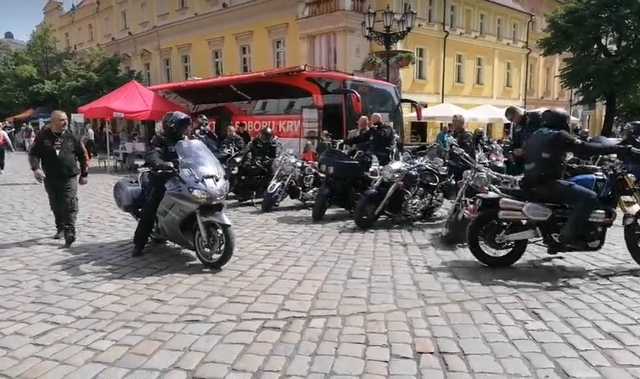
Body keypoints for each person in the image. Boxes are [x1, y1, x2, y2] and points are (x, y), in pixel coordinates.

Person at [521, 109, 634, 252]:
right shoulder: (559, 136)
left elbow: (546, 159)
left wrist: (577, 167)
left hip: (531, 182)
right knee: (589, 198)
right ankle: (566, 238)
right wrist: (619, 149)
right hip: (546, 184)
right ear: (561, 121)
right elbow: (585, 149)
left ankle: (557, 232)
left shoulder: (536, 135)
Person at [132, 111, 191, 257]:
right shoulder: (160, 139)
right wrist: (161, 163)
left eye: (185, 126)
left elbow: (195, 153)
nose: (185, 129)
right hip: (161, 178)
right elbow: (153, 154)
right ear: (172, 127)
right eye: (182, 126)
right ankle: (139, 244)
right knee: (151, 208)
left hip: (181, 177)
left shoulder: (185, 139)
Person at [29, 111, 88, 247]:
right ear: (53, 121)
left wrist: (84, 174)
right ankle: (60, 227)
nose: (65, 122)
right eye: (62, 120)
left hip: (69, 176)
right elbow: (33, 154)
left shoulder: (72, 136)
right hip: (50, 176)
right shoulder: (42, 136)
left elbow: (82, 155)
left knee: (69, 202)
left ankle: (69, 231)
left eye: (66, 119)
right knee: (55, 203)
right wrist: (36, 168)